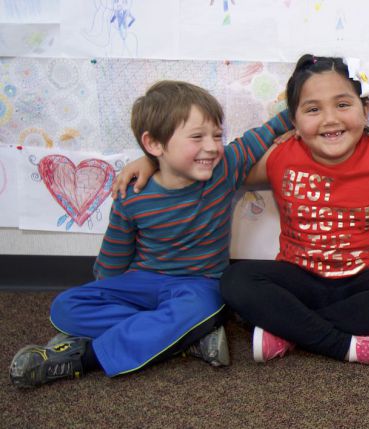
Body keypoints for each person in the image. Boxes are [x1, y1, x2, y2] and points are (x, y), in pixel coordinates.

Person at [9, 81, 290, 388]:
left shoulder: (226, 167)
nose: (212, 146)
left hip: (197, 285)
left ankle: (83, 357)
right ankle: (186, 337)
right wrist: (106, 293)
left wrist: (306, 105)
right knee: (65, 306)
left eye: (217, 135)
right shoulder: (133, 195)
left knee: (205, 306)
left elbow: (266, 131)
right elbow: (113, 259)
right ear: (155, 144)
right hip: (143, 281)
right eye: (197, 137)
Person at [217, 55, 369, 369]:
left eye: (343, 104)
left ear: (365, 111)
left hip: (365, 284)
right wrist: (152, 163)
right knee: (236, 279)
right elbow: (216, 171)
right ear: (295, 123)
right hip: (297, 282)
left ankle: (289, 330)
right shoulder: (282, 155)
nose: (330, 119)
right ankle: (349, 346)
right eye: (313, 110)